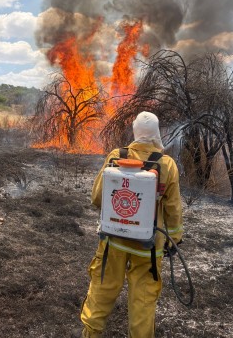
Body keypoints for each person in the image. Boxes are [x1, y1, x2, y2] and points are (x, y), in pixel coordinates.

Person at [80, 111, 183, 338]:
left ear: (135, 132)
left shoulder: (117, 156)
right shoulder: (166, 165)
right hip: (148, 249)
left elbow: (97, 197)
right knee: (143, 302)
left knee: (101, 292)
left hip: (113, 244)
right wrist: (174, 239)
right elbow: (173, 209)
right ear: (156, 134)